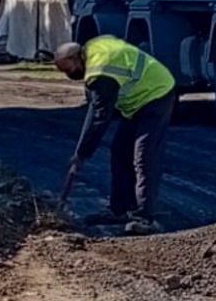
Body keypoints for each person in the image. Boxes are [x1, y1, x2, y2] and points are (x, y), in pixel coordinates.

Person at [54, 34, 178, 234]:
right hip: (137, 101)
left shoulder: (100, 73)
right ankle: (120, 209)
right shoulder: (93, 47)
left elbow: (100, 117)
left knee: (144, 157)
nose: (68, 74)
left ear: (76, 58)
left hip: (157, 94)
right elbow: (94, 109)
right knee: (120, 151)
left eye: (67, 69)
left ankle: (145, 217)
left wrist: (83, 153)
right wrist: (81, 150)